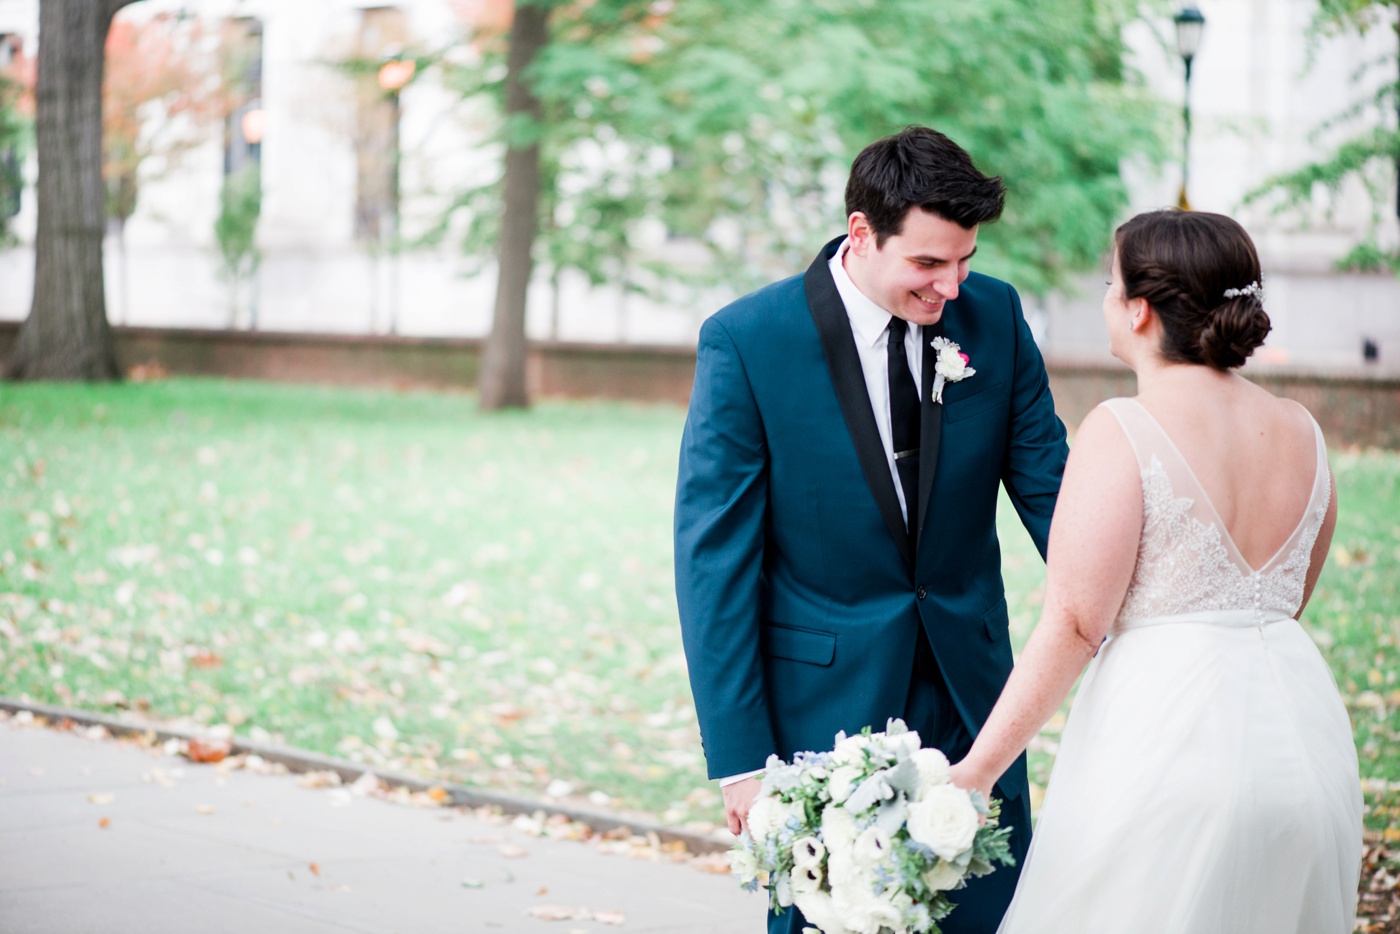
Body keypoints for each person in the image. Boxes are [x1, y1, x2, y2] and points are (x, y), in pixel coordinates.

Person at [673, 126, 1070, 934]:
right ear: (861, 233)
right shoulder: (749, 342)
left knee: (989, 915)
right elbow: (714, 560)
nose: (951, 286)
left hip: (973, 697)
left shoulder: (992, 314)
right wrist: (742, 760)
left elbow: (1054, 493)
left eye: (964, 260)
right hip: (822, 712)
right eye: (928, 263)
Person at [949, 209, 1364, 933]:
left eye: (1110, 285)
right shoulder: (1303, 430)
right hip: (1305, 739)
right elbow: (1286, 600)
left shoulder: (1122, 428)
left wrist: (977, 771)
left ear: (1138, 310)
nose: (1106, 299)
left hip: (1167, 737)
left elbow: (1077, 623)